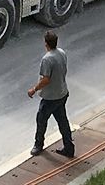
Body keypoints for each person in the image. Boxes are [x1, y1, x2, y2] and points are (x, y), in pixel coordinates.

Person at [27, 29, 75, 159]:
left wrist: (34, 89)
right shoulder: (61, 53)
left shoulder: (47, 59)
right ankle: (69, 147)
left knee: (41, 120)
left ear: (46, 43)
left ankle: (38, 145)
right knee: (62, 121)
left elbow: (46, 79)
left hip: (50, 98)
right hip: (62, 92)